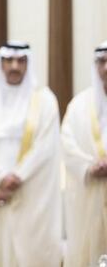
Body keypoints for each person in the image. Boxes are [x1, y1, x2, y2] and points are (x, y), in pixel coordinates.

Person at [0, 41, 62, 267]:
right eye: (9, 60)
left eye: (21, 61)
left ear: (29, 64)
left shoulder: (45, 101)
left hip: (30, 196)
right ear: (0, 64)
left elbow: (45, 148)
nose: (14, 66)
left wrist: (16, 177)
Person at [61, 40, 107, 267]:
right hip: (90, 197)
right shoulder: (78, 106)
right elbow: (68, 146)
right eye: (102, 61)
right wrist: (89, 167)